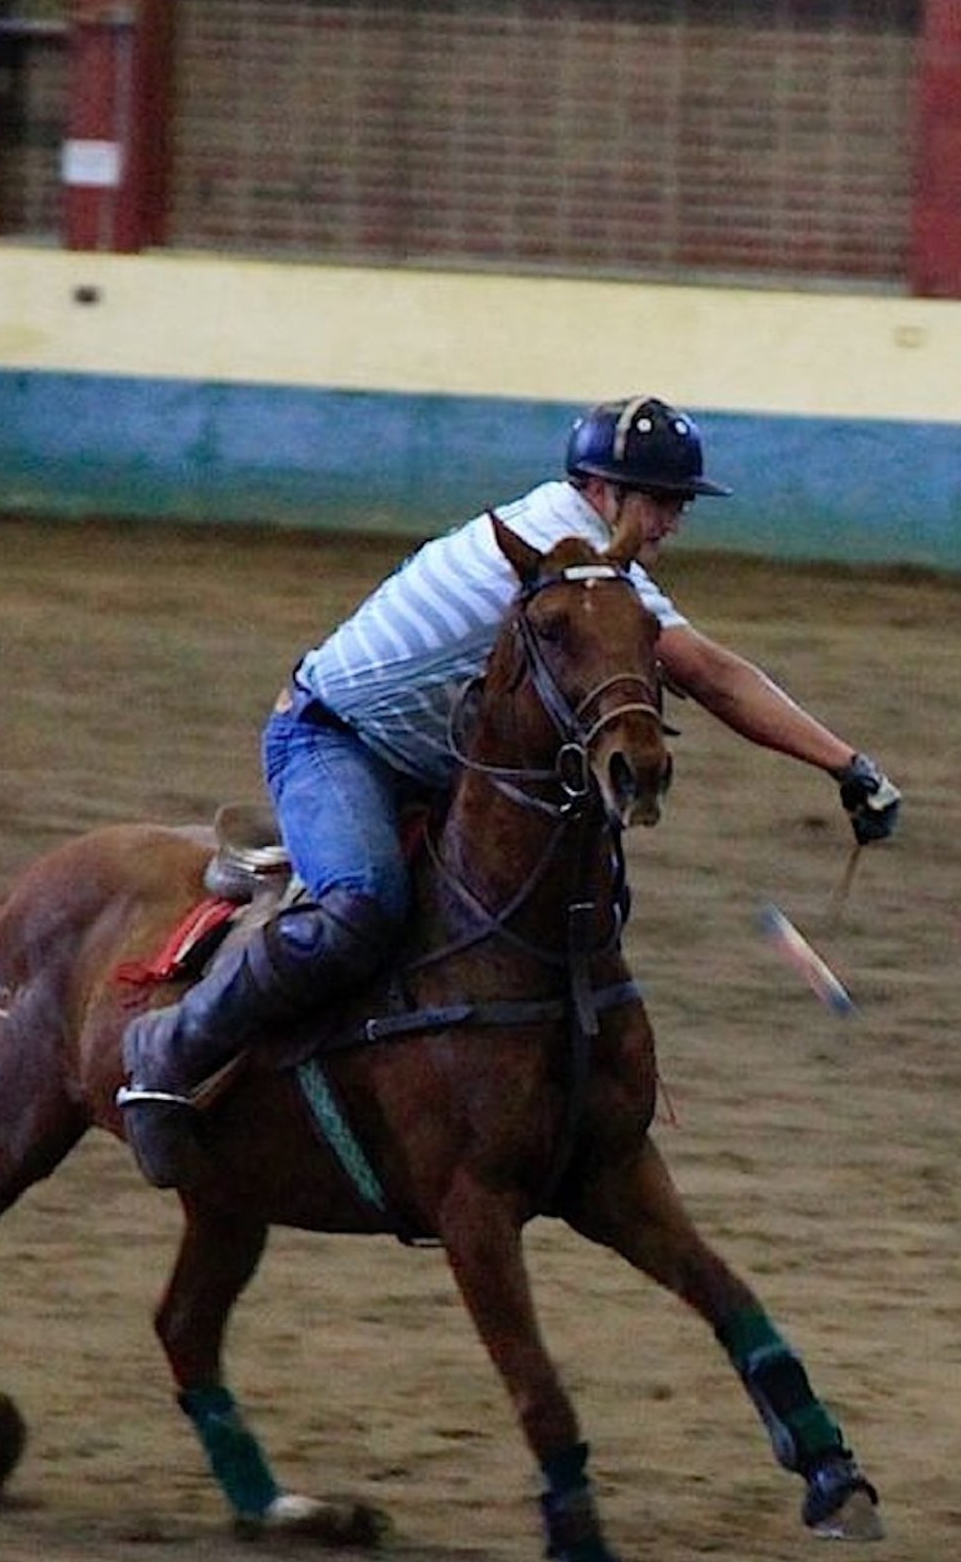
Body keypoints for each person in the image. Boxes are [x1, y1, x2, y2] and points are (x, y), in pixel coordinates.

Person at [119, 394, 903, 1187]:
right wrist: (845, 764)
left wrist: (844, 762)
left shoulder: (591, 560)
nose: (672, 523)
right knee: (361, 904)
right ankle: (170, 1049)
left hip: (432, 756)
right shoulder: (563, 553)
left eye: (680, 506)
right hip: (332, 738)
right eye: (663, 502)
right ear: (604, 493)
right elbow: (707, 673)